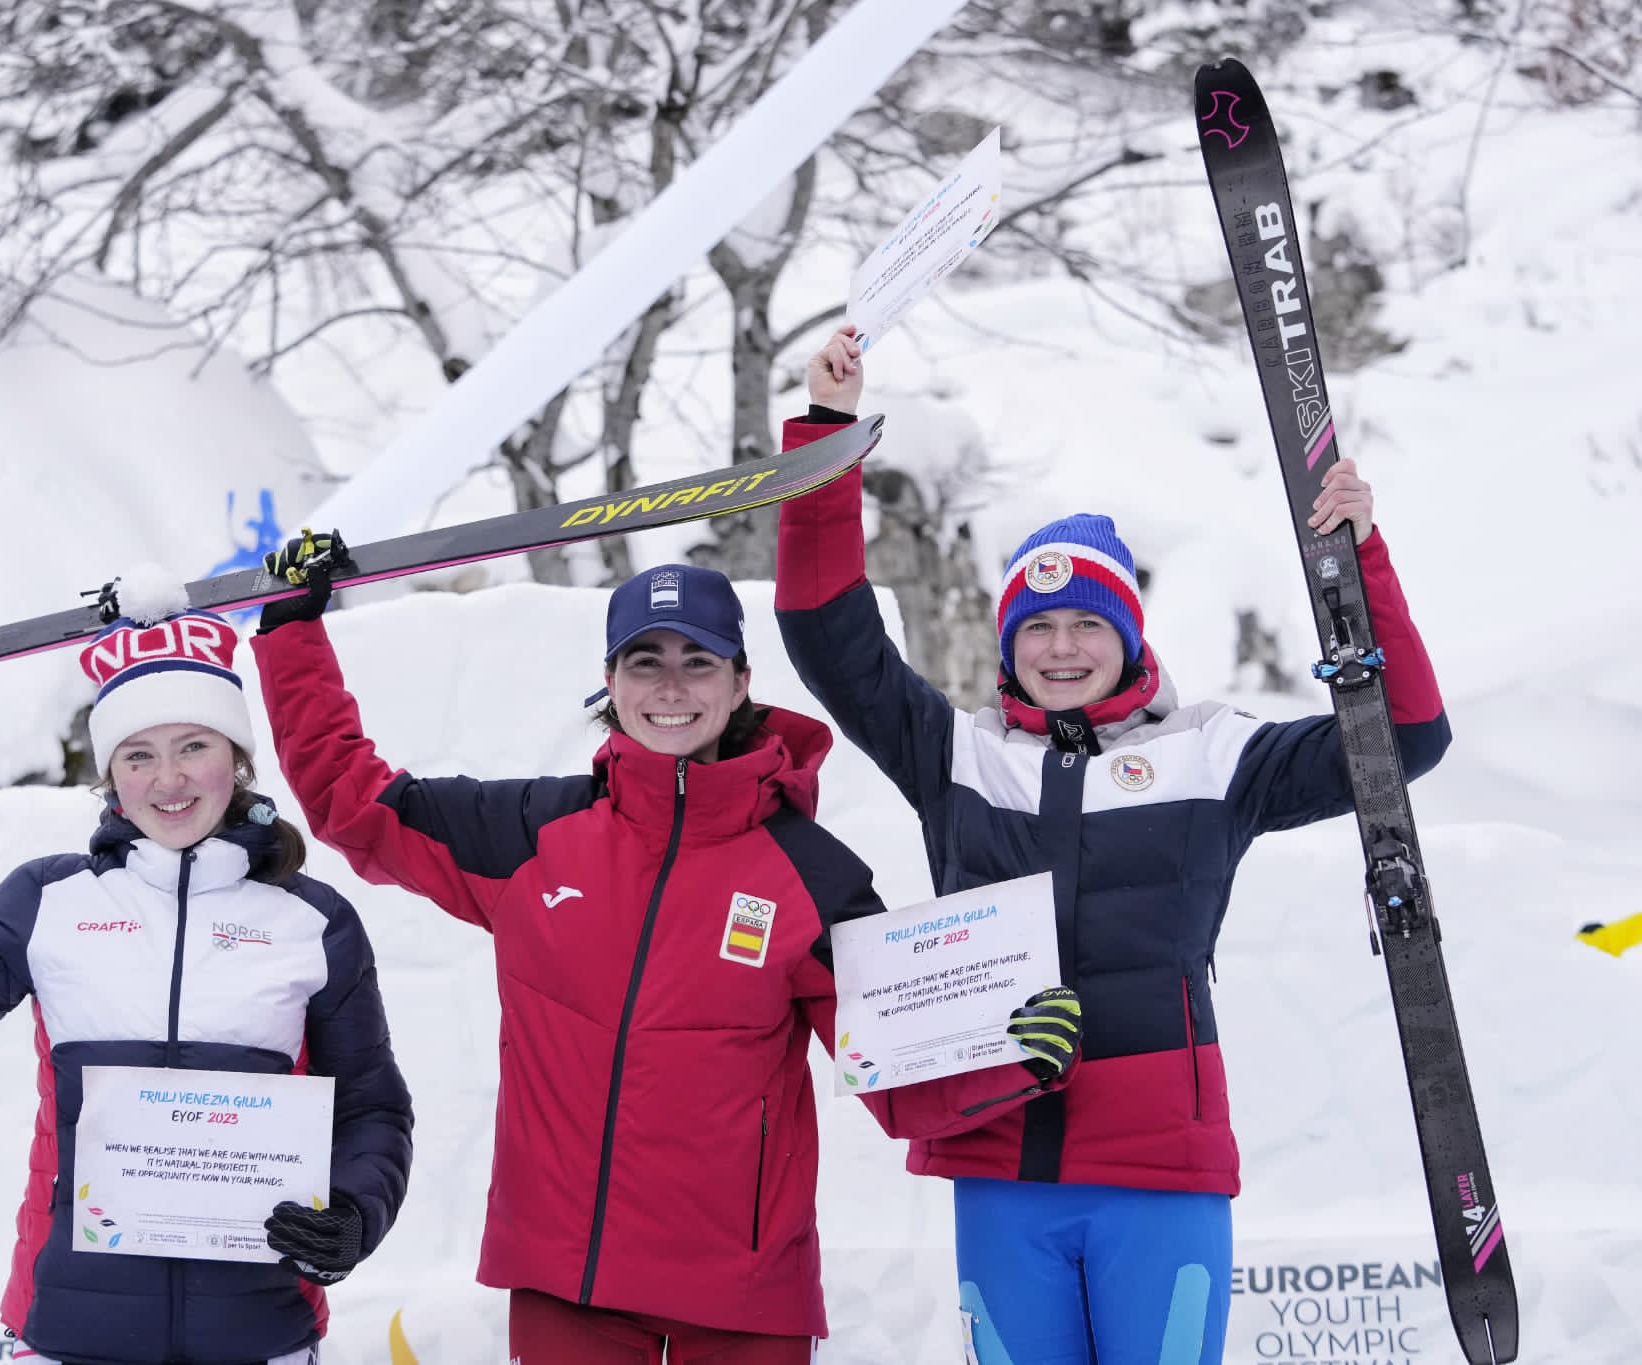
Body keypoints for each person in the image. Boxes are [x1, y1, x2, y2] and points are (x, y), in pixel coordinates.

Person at [772, 325, 1452, 1365]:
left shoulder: (1212, 755)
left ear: (1128, 637)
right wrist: (823, 441)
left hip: (1158, 1172)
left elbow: (1402, 741)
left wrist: (1359, 562)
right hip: (999, 1165)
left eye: (1084, 625)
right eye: (1034, 629)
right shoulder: (956, 756)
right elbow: (829, 634)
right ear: (1007, 646)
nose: (1058, 648)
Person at [251, 546, 1085, 1365]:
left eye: (699, 660)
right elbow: (352, 802)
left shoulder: (811, 873)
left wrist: (1010, 1049)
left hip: (745, 1299)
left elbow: (898, 1068)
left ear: (740, 682)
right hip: (568, 1285)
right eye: (645, 661)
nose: (672, 686)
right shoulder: (532, 837)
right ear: (611, 683)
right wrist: (292, 630)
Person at [0, 606, 414, 1365]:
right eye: (138, 754)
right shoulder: (50, 902)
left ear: (238, 757)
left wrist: (354, 1212)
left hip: (258, 1335)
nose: (170, 778)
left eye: (194, 745)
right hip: (69, 1332)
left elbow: (371, 1108)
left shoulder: (311, 921)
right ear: (111, 776)